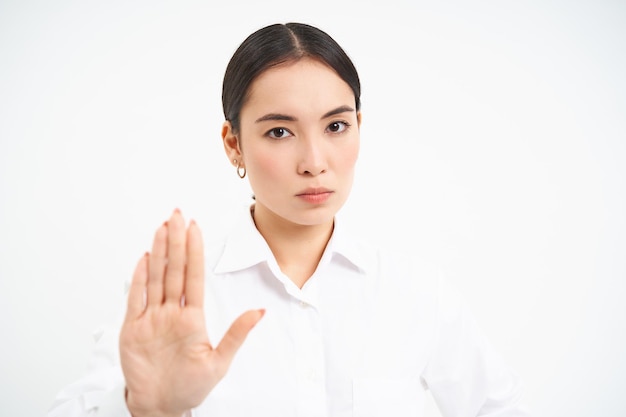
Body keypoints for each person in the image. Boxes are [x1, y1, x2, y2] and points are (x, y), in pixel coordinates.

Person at [47, 22, 531, 417]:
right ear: (233, 143)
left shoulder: (416, 291)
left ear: (359, 127)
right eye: (279, 131)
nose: (315, 161)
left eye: (336, 126)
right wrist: (144, 409)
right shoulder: (173, 300)